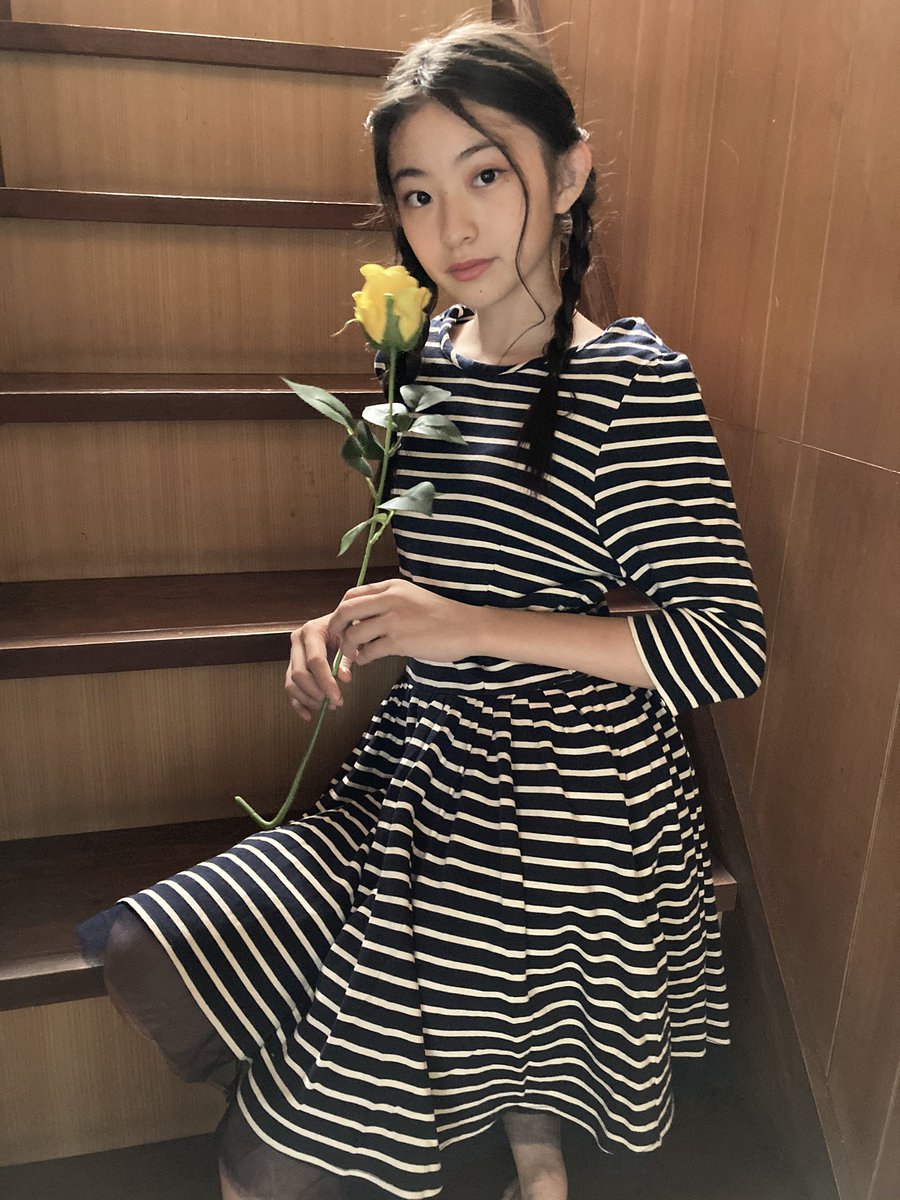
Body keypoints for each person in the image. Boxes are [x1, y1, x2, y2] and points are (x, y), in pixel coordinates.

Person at [75, 18, 767, 1200]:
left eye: (486, 175)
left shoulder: (633, 385)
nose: (452, 229)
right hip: (422, 759)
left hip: (572, 798)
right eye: (418, 193)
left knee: (270, 1161)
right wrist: (349, 622)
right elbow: (441, 558)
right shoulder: (420, 354)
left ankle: (526, 1137)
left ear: (568, 172)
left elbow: (725, 648)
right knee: (149, 943)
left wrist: (466, 629)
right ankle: (519, 1131)